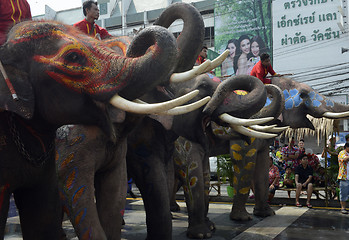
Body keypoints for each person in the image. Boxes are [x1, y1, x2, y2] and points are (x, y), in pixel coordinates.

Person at [337, 142, 349, 214]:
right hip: (344, 177)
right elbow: (345, 159)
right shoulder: (342, 153)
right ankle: (343, 208)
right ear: (346, 147)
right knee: (344, 193)